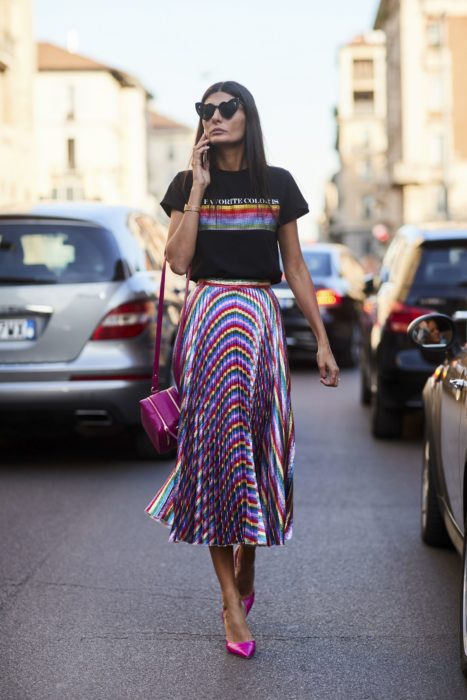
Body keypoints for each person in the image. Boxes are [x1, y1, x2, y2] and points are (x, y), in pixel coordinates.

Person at [144, 81, 339, 659]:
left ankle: (247, 556)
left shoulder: (277, 184)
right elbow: (178, 261)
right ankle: (231, 603)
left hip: (258, 322)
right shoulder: (186, 184)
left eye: (227, 107)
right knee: (213, 454)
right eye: (206, 110)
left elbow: (297, 268)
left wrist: (323, 343)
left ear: (249, 116)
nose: (216, 116)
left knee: (256, 448)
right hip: (206, 321)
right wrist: (199, 189)